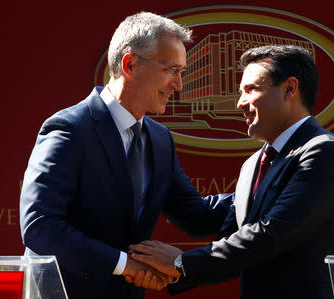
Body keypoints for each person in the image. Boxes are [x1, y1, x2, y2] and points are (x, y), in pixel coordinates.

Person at [19, 12, 232, 299]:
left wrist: (264, 186)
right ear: (130, 64)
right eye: (170, 70)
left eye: (181, 72)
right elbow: (40, 226)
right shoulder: (70, 129)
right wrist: (123, 265)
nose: (179, 85)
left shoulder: (160, 139)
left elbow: (196, 216)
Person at [129, 45, 334, 299]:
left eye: (251, 90)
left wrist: (180, 264)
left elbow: (271, 235)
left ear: (290, 89)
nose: (240, 103)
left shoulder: (325, 153)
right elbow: (223, 237)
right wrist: (169, 270)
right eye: (240, 92)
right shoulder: (254, 164)